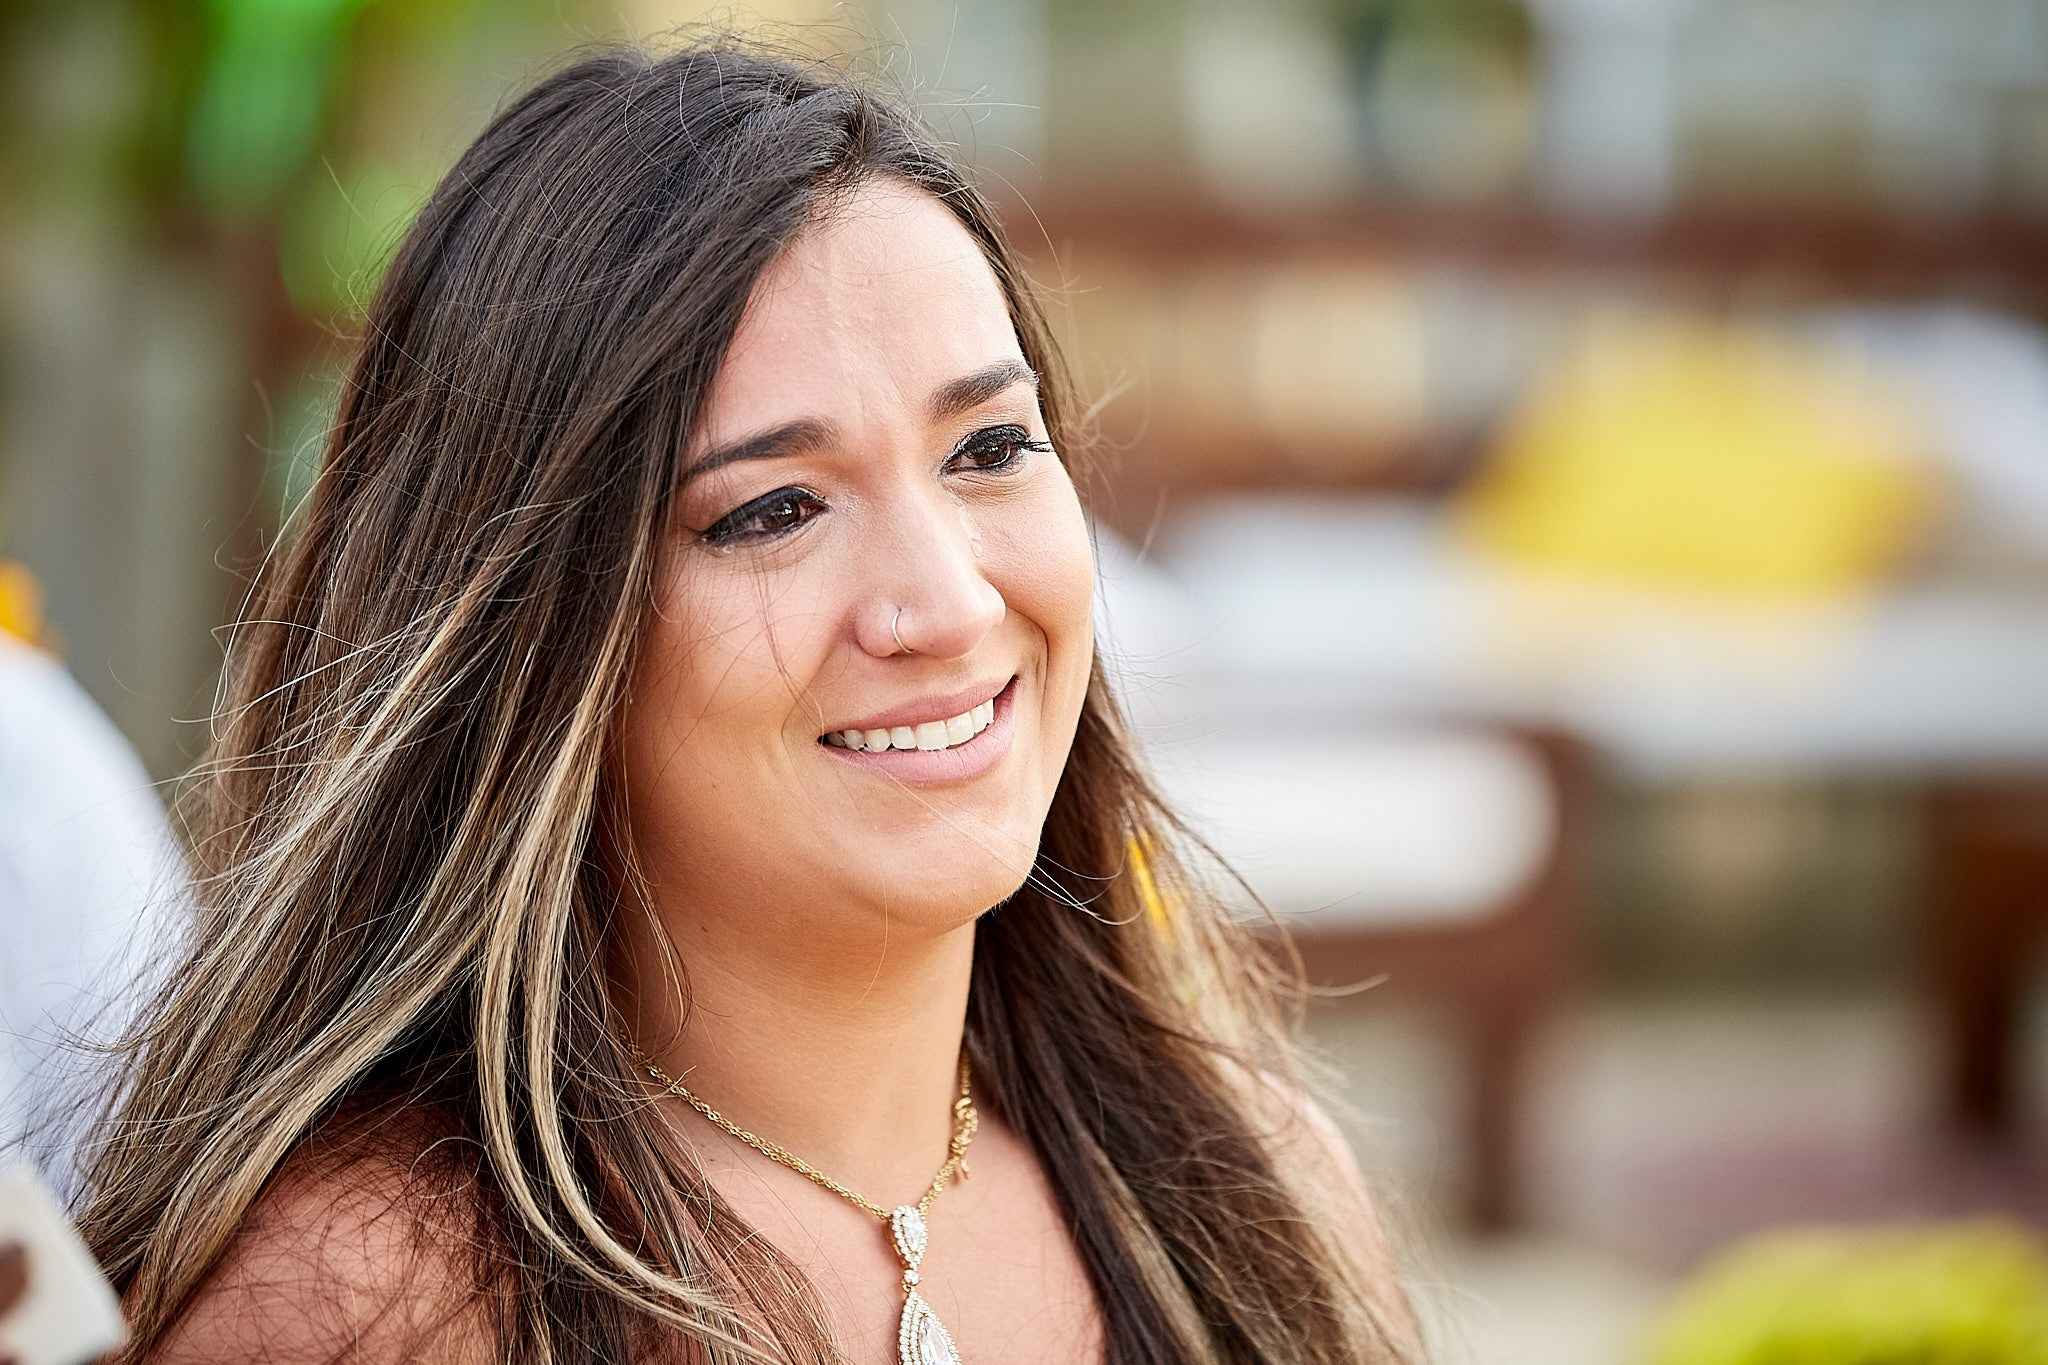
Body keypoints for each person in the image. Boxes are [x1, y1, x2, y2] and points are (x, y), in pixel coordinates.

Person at [74, 39, 1420, 1364]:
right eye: (775, 509)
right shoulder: (371, 1302)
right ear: (536, 635)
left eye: (990, 447)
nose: (945, 603)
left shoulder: (1259, 1196)